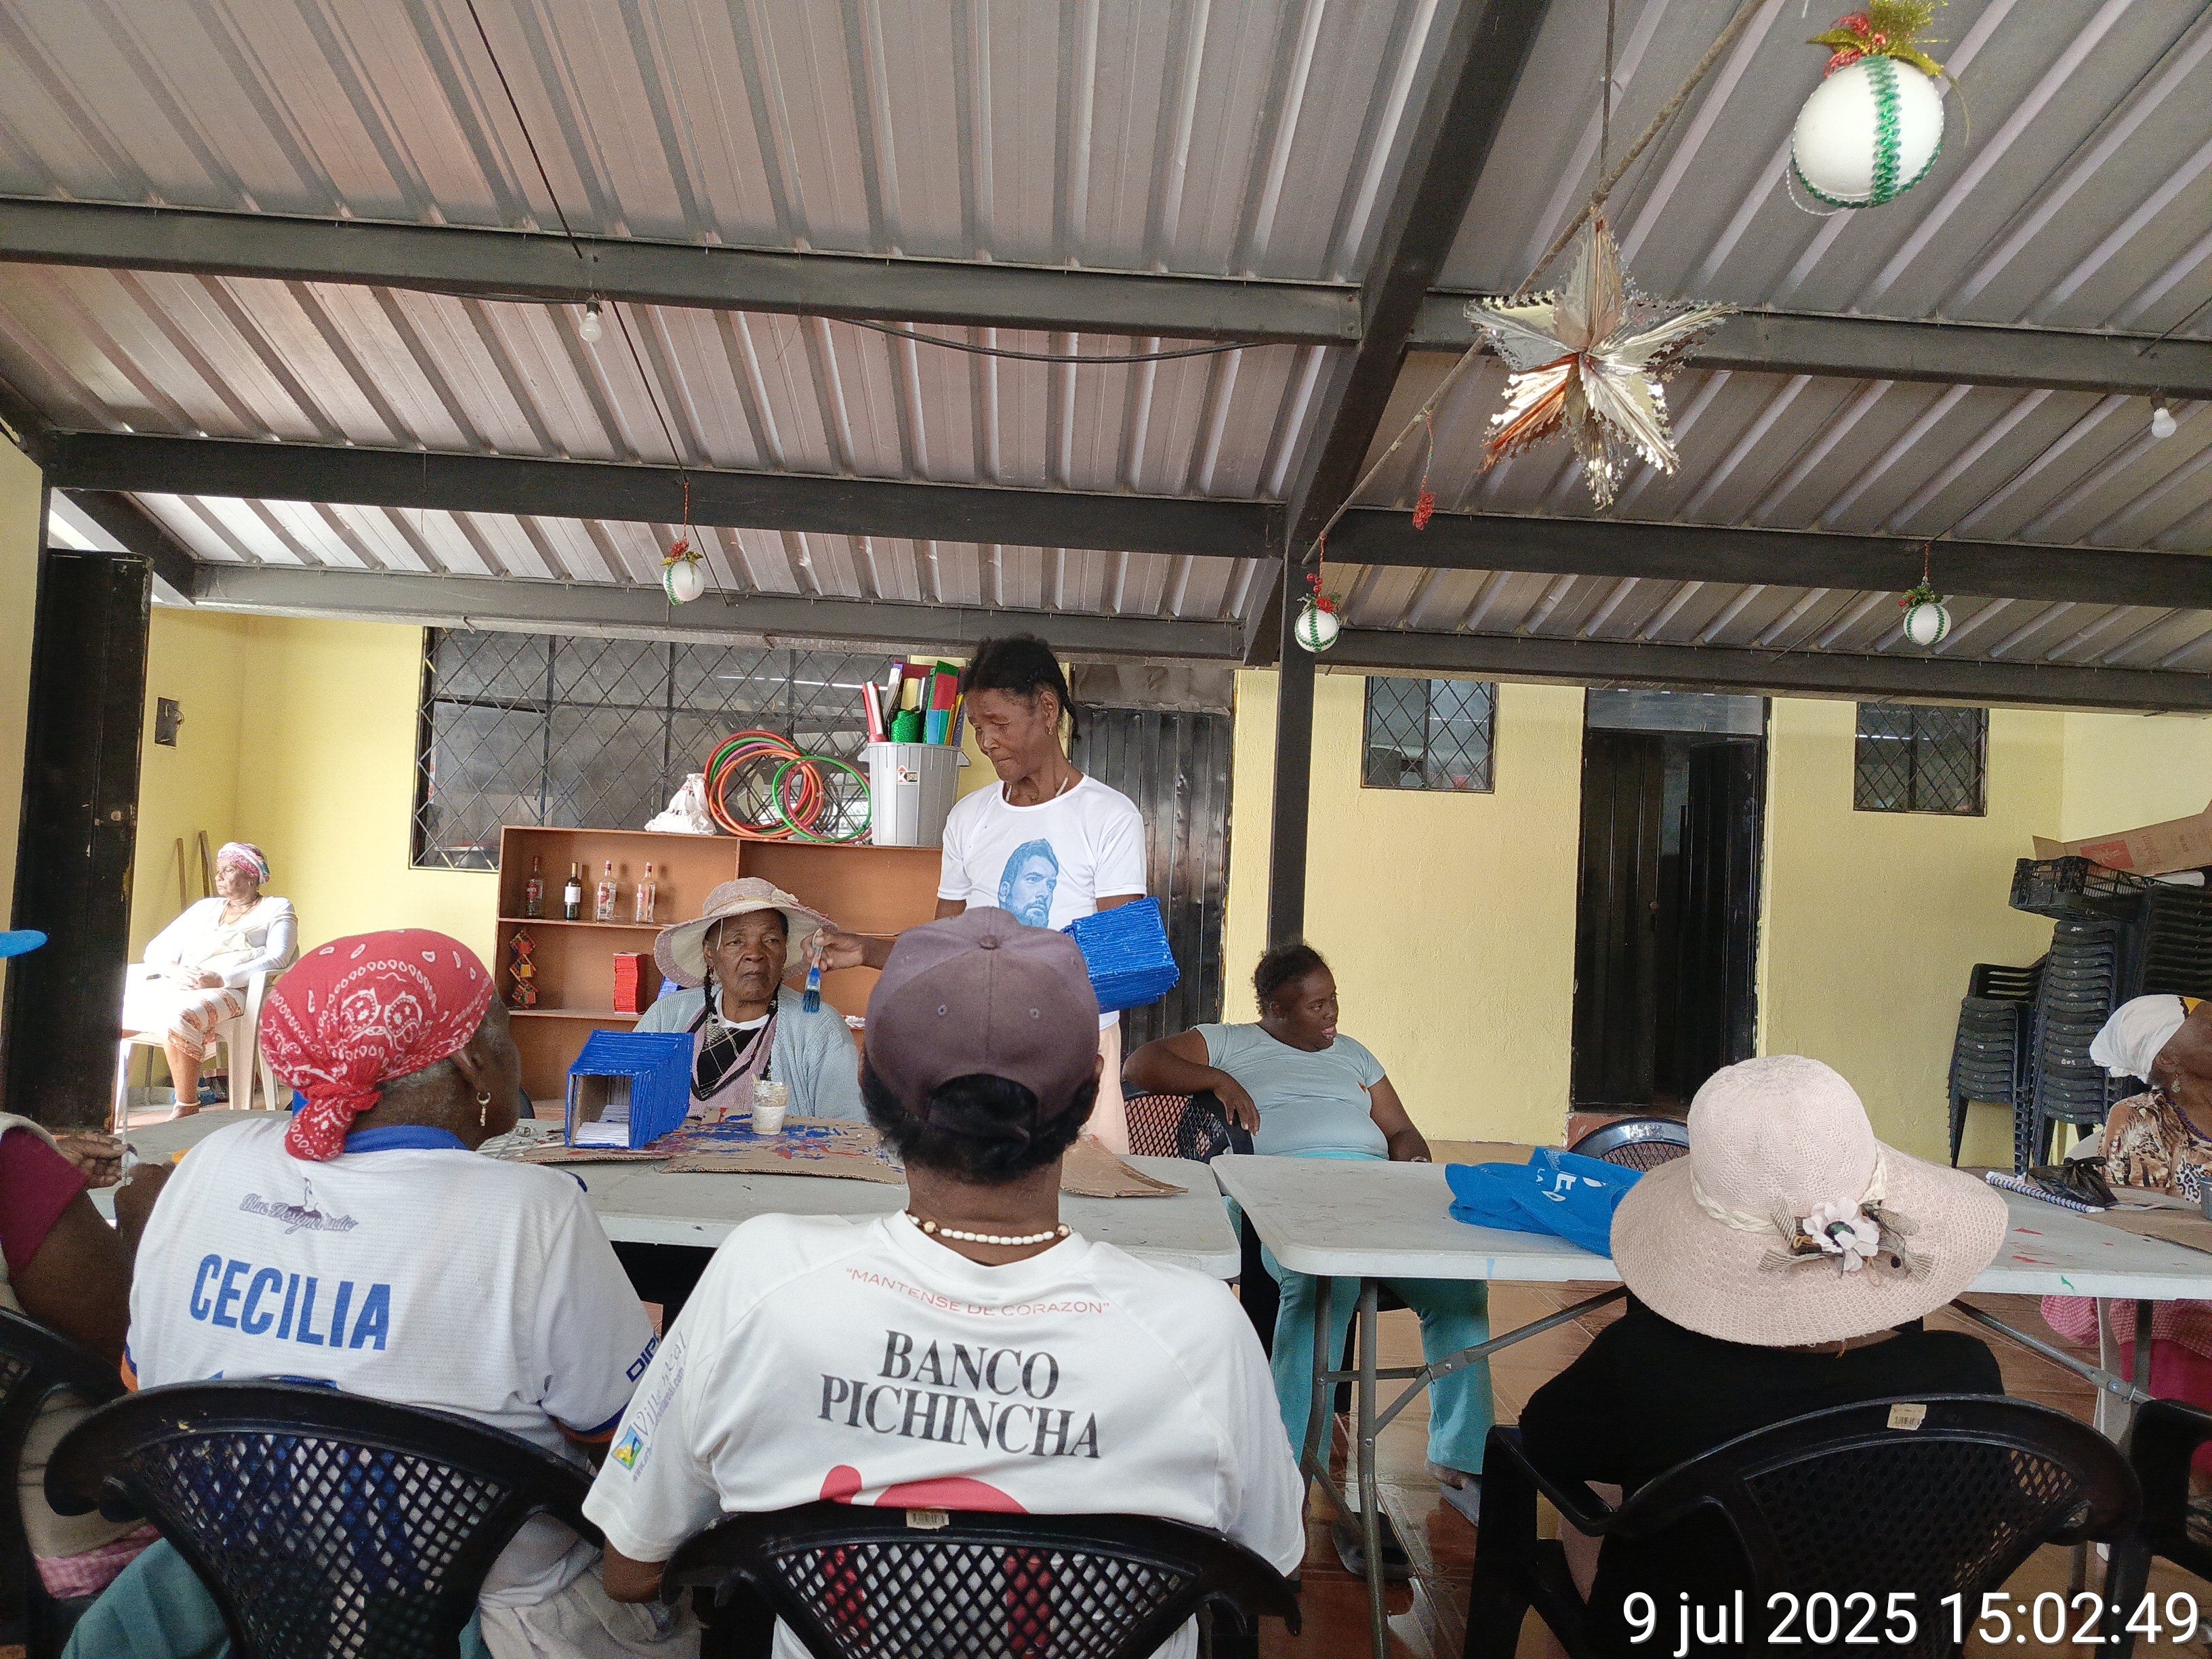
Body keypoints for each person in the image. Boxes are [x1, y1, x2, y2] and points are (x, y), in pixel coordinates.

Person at [583, 908, 1303, 1659]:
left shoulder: (756, 1281)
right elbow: (1273, 1570)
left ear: (872, 1086)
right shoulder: (1200, 1333)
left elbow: (632, 1565)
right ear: (1091, 1093)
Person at [70, 930, 693, 1659]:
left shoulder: (208, 1163)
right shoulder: (534, 1214)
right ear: (473, 1059)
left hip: (240, 1592)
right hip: (475, 1617)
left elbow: (148, 1388)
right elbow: (630, 1442)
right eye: (504, 1029)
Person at [1520, 1055, 2007, 1650]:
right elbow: (1982, 1524)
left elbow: (1547, 1441)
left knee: (1611, 1485)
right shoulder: (1962, 1373)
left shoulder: (1647, 1365)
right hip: (1892, 1637)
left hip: (1683, 1636)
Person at [1124, 941, 1494, 1509]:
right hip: (1282, 1195)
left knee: (1459, 1292)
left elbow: (1400, 1130)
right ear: (1276, 1008)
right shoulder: (1230, 1042)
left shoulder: (1355, 1055)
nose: (1331, 1014)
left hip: (1374, 1194)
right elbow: (1141, 1063)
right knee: (1325, 1290)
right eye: (1316, 1005)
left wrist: (1414, 1165)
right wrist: (1217, 1079)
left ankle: (1461, 1454)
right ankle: (1287, 1464)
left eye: (1333, 1000)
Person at [816, 637, 1145, 1153]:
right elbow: (943, 948)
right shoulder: (969, 819)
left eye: (999, 724)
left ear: (1047, 709)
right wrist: (869, 950)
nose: (987, 742)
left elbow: (1119, 963)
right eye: (977, 728)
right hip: (978, 1049)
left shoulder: (1110, 817)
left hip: (1076, 1054)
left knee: (1081, 1187)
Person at [0, 926, 172, 1603]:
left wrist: (43, 1170)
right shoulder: (10, 1161)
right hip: (58, 1532)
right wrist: (148, 1222)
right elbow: (134, 1349)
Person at [2043, 996, 2212, 1452]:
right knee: (2172, 1314)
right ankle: (2181, 1470)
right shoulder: (2141, 1120)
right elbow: (2142, 1224)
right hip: (2166, 1272)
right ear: (2168, 1058)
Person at [634, 879, 863, 1122]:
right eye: (736, 942)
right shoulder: (667, 1015)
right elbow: (625, 1097)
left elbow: (849, 1129)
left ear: (785, 951)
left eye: (771, 940)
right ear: (710, 953)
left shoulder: (819, 1027)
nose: (755, 954)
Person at [121, 842, 297, 1113]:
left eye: (228, 870)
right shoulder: (205, 909)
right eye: (218, 870)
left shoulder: (277, 908)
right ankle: (104, 1100)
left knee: (180, 1015)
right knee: (112, 1008)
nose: (219, 876)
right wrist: (176, 970)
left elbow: (278, 958)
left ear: (251, 876)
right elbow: (156, 949)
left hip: (236, 990)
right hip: (183, 983)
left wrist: (221, 979)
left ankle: (187, 1105)